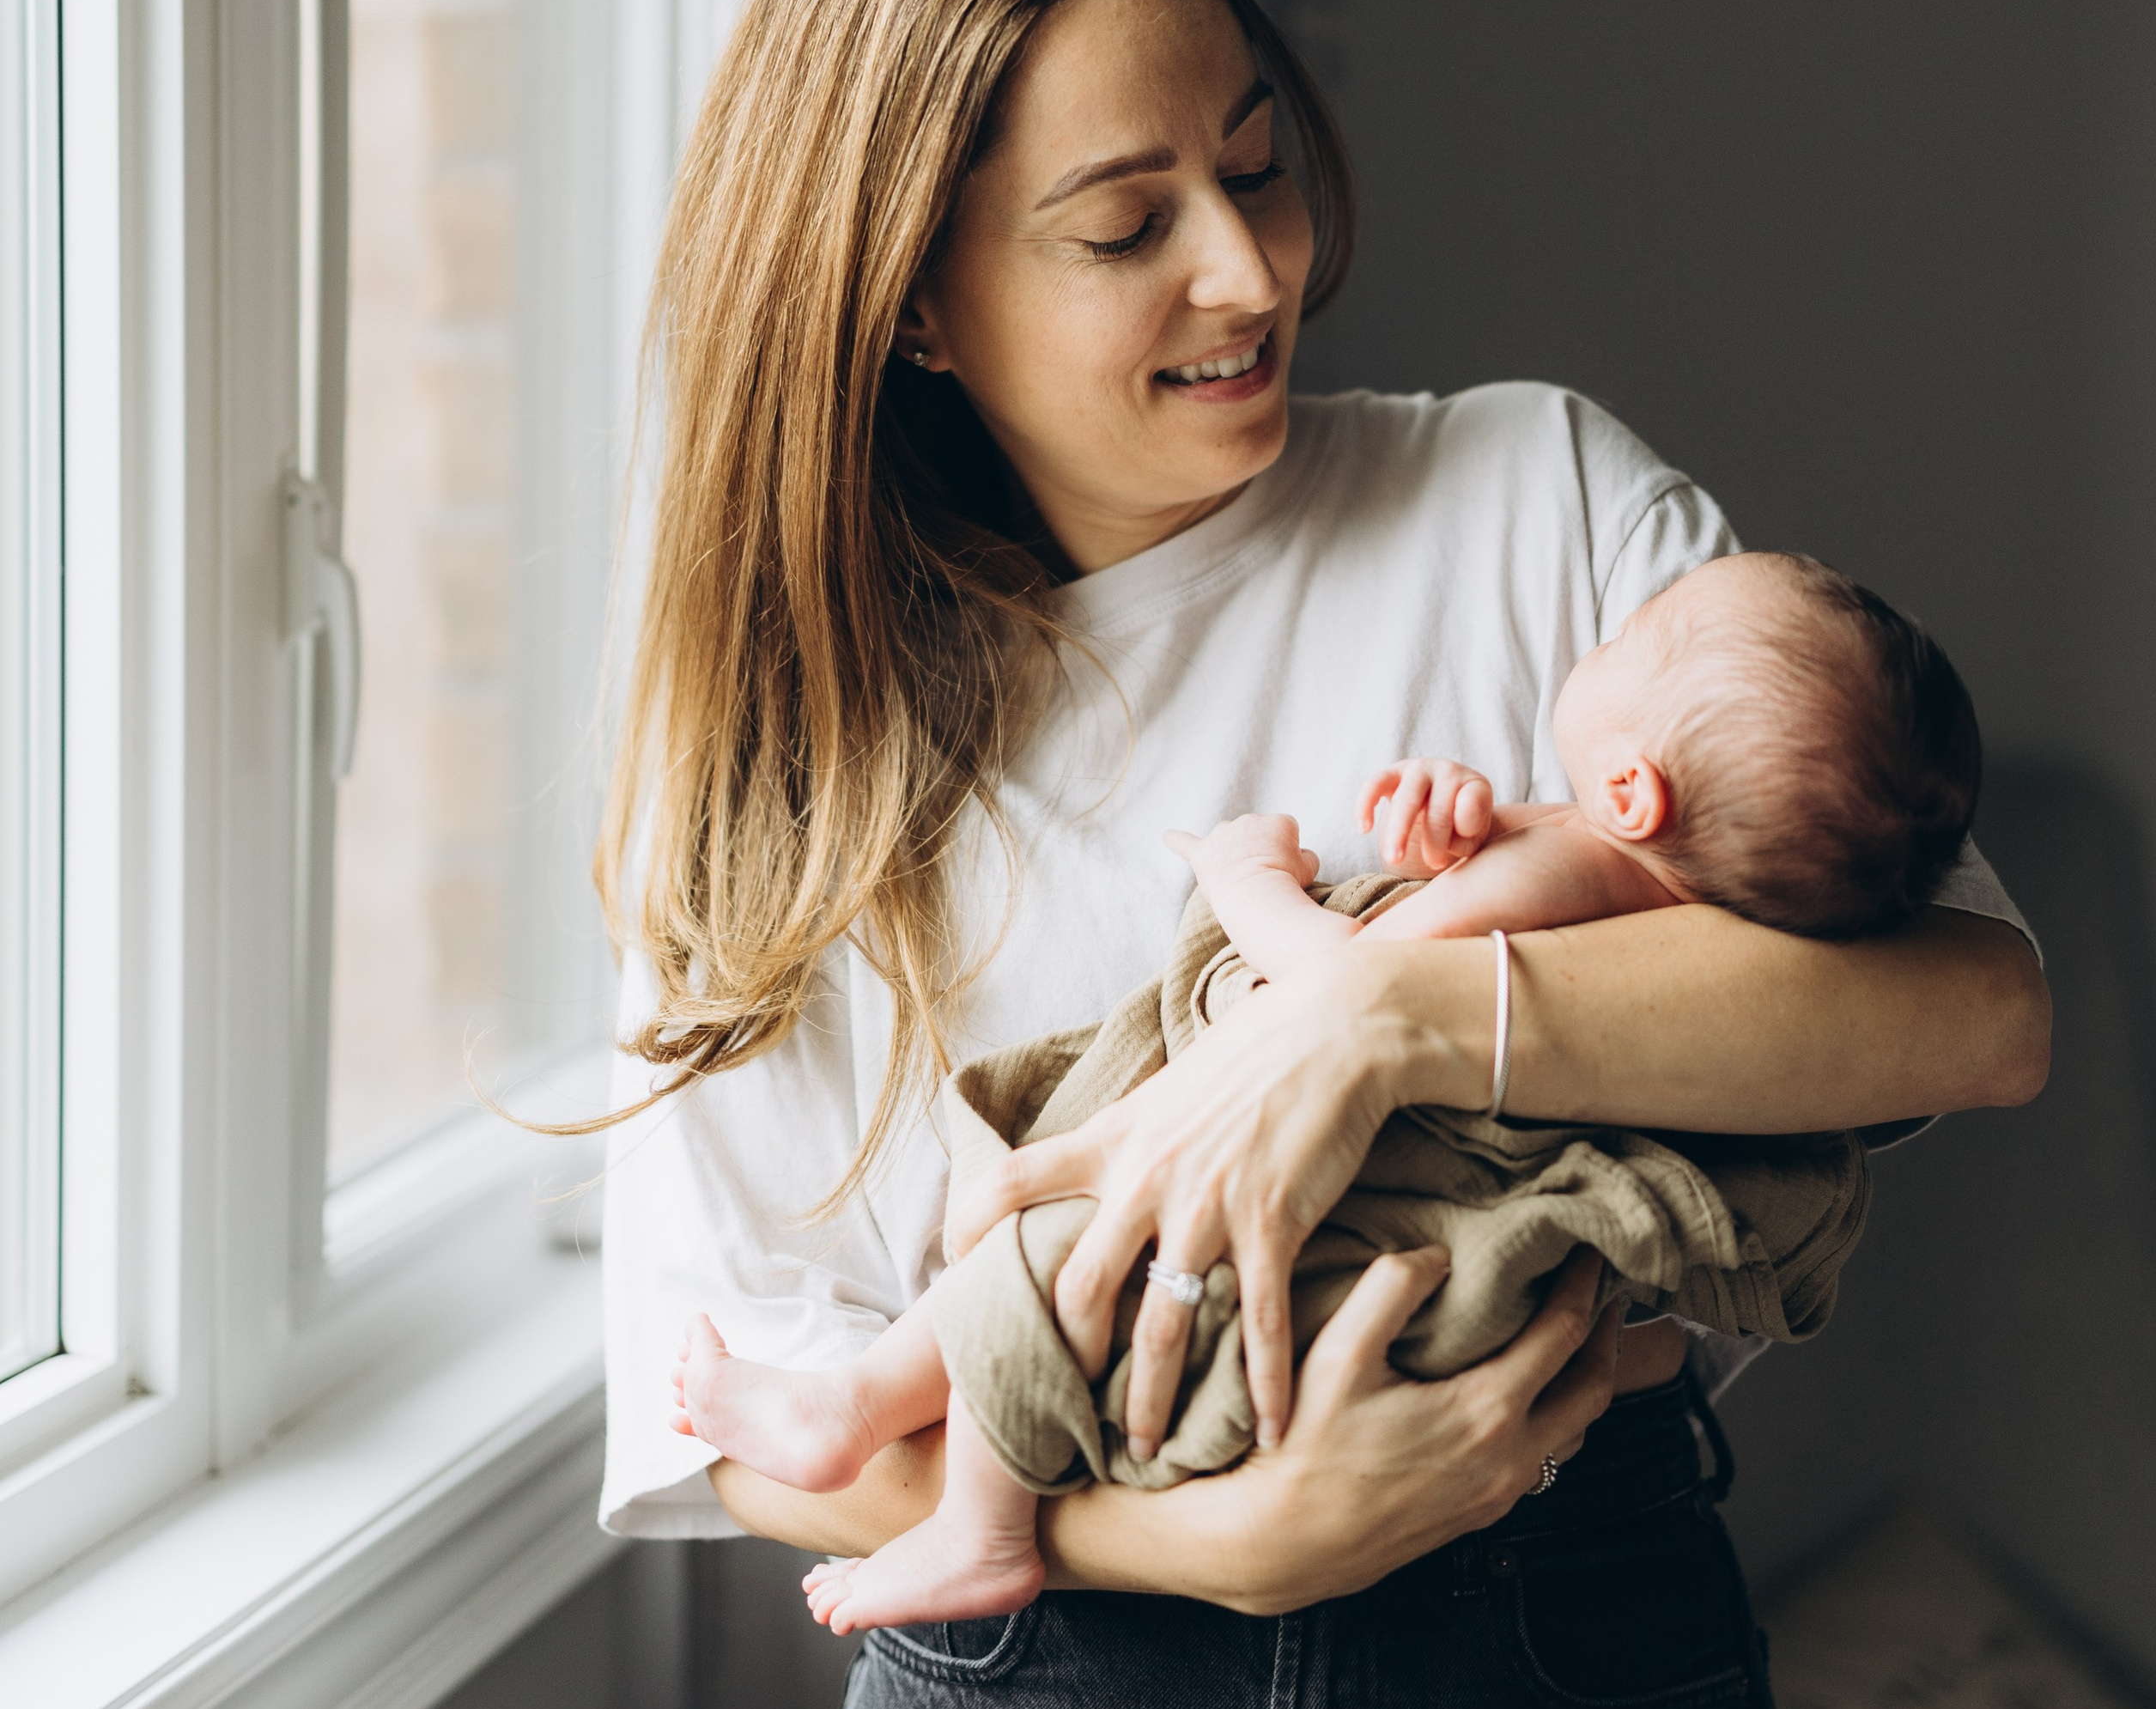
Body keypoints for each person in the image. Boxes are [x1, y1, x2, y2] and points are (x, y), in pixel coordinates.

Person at [595, 0, 2048, 1709]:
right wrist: (1214, 1545)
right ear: (914, 303)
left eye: (1258, 166)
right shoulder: (781, 763)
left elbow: (1971, 1008)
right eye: (1125, 222)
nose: (1250, 271)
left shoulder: (1525, 498)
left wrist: (1379, 1018)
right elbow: (748, 1418)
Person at [665, 548, 1983, 1644]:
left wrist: (1246, 883)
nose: (1618, 629)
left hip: (1359, 1199)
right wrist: (1460, 818)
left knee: (1062, 1265)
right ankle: (884, 1429)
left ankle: (958, 1503)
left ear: (1633, 790)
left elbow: (1350, 984)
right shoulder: (1640, 879)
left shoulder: (1569, 876)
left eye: (1643, 634)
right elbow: (1493, 908)